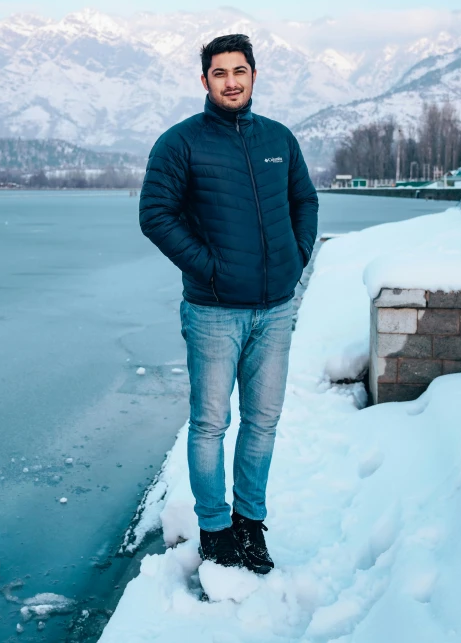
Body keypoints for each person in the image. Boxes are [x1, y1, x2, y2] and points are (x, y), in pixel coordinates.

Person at [139, 34, 318, 574]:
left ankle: (250, 524)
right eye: (220, 73)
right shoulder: (180, 143)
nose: (231, 81)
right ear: (205, 81)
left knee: (263, 422)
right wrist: (211, 269)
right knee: (211, 424)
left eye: (240, 71)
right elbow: (156, 216)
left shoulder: (279, 139)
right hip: (215, 312)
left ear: (254, 75)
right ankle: (215, 529)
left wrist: (297, 257)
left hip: (276, 309)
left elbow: (303, 200)